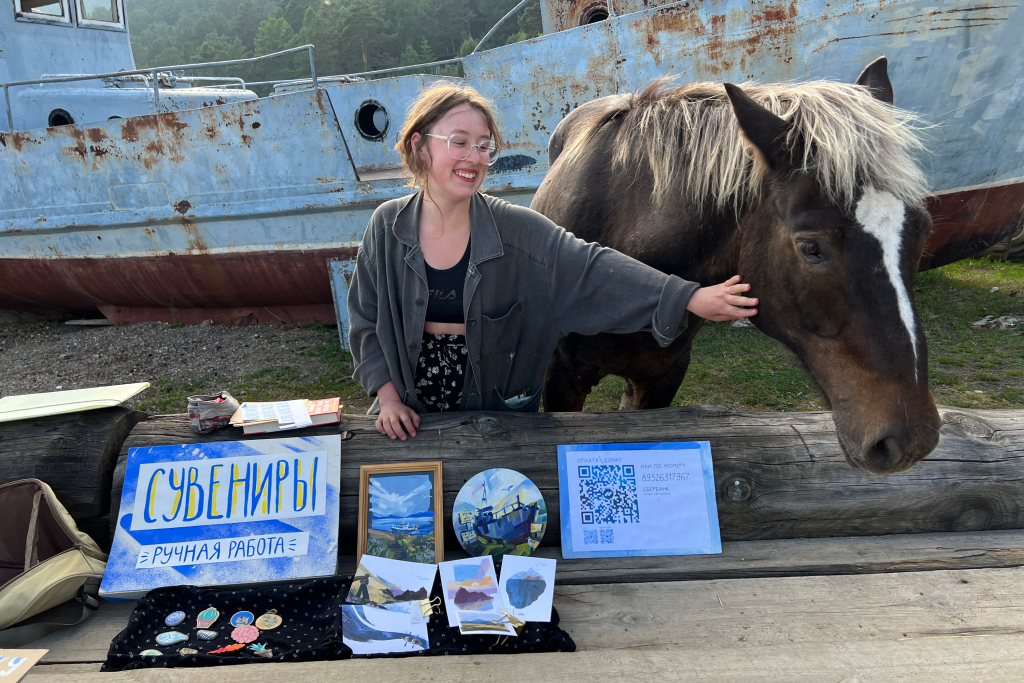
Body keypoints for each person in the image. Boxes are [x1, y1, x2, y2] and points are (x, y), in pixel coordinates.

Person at [348, 83, 757, 440]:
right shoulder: (387, 227)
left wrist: (686, 298)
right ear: (419, 144)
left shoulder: (521, 232)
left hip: (497, 424)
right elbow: (366, 320)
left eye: (484, 145)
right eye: (459, 141)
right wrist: (387, 399)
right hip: (407, 419)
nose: (474, 158)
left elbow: (591, 269)